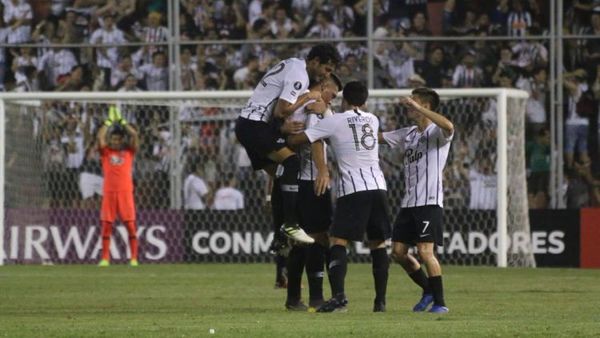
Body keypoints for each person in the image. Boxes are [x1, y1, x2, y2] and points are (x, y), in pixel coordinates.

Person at [287, 81, 390, 313]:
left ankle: (339, 297)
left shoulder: (334, 121)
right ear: (364, 101)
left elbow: (303, 139)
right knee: (378, 243)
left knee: (337, 242)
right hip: (379, 187)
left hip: (354, 189)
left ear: (343, 100)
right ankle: (380, 302)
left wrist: (289, 133)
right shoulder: (373, 120)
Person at [234, 43, 341, 244]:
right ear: (315, 61)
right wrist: (307, 97)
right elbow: (281, 111)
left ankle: (279, 237)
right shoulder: (300, 75)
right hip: (255, 125)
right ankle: (290, 225)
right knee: (292, 163)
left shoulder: (292, 63)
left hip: (248, 124)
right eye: (326, 69)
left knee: (282, 175)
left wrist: (280, 128)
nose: (325, 75)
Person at [379, 87, 454, 313]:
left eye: (414, 100)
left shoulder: (437, 133)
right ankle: (428, 289)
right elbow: (378, 138)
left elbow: (450, 126)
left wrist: (419, 108)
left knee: (425, 252)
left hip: (429, 202)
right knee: (398, 253)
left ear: (426, 106)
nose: (409, 103)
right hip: (409, 202)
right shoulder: (409, 133)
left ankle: (441, 303)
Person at [278, 74, 343, 311]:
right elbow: (315, 140)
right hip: (311, 180)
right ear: (324, 86)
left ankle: (294, 298)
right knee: (317, 238)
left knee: (304, 241)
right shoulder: (314, 106)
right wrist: (323, 171)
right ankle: (315, 297)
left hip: (299, 180)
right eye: (332, 94)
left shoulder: (308, 104)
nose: (332, 99)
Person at [97, 106, 139, 267]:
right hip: (109, 192)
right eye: (113, 139)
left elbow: (134, 134)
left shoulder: (128, 152)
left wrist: (121, 121)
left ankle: (134, 258)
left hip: (125, 192)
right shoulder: (106, 152)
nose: (115, 141)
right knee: (107, 225)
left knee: (130, 225)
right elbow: (100, 136)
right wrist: (108, 121)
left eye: (118, 139)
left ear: (121, 141)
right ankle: (105, 258)